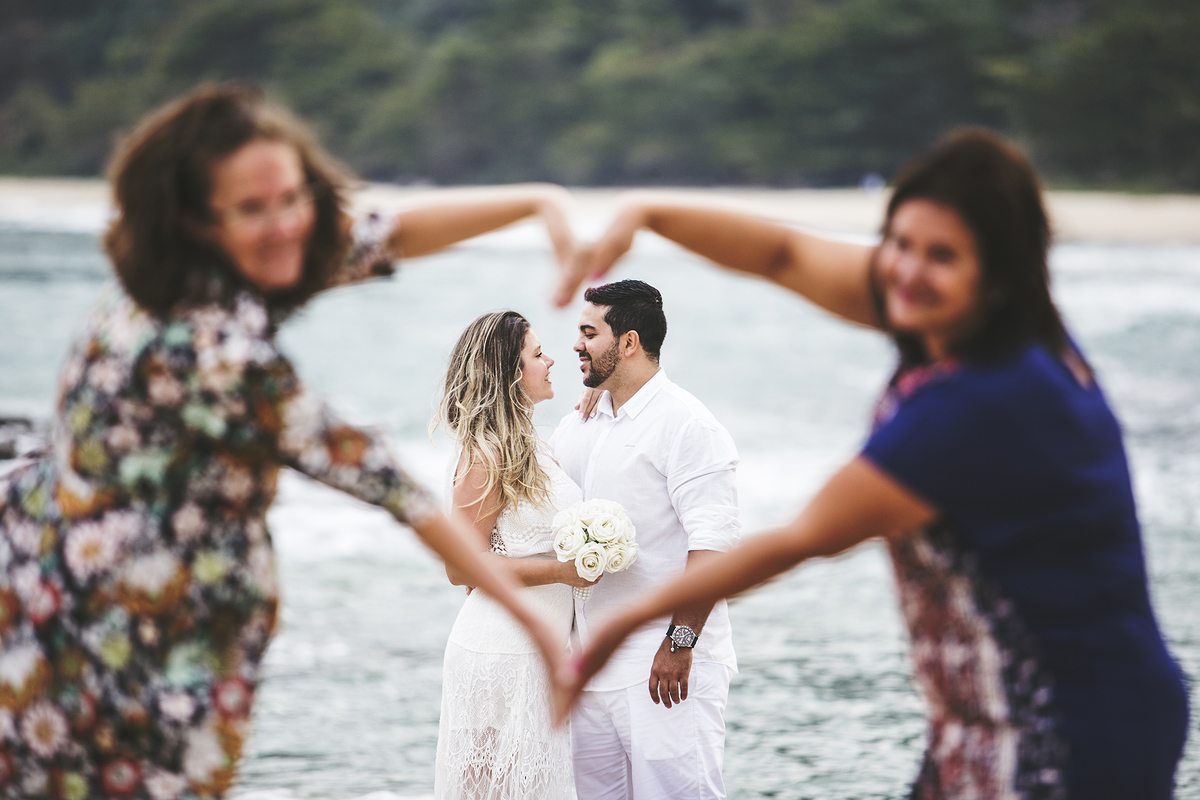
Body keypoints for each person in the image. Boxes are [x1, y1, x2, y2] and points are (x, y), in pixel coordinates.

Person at [552, 131, 1189, 799]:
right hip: (981, 707)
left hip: (1074, 719)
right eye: (900, 244)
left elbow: (801, 540)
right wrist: (646, 215)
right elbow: (782, 252)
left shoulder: (982, 405)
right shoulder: (948, 317)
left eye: (941, 255)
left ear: (996, 271)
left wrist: (629, 625)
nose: (908, 272)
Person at [0, 83, 575, 800]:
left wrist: (538, 202)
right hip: (110, 648)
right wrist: (534, 617)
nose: (283, 225)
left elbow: (386, 236)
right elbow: (396, 490)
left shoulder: (210, 275)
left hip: (101, 604)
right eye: (251, 208)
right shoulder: (212, 354)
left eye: (293, 199)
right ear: (195, 221)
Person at [549, 279, 741, 800]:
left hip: (665, 667)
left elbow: (714, 546)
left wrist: (679, 645)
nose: (576, 344)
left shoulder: (687, 426)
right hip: (590, 662)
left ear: (628, 342)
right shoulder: (580, 421)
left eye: (590, 333)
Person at [432, 310, 596, 800]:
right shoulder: (486, 454)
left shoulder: (533, 444)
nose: (551, 361)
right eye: (537, 354)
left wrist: (602, 393)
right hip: (500, 652)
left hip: (539, 651)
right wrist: (562, 572)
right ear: (510, 372)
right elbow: (460, 566)